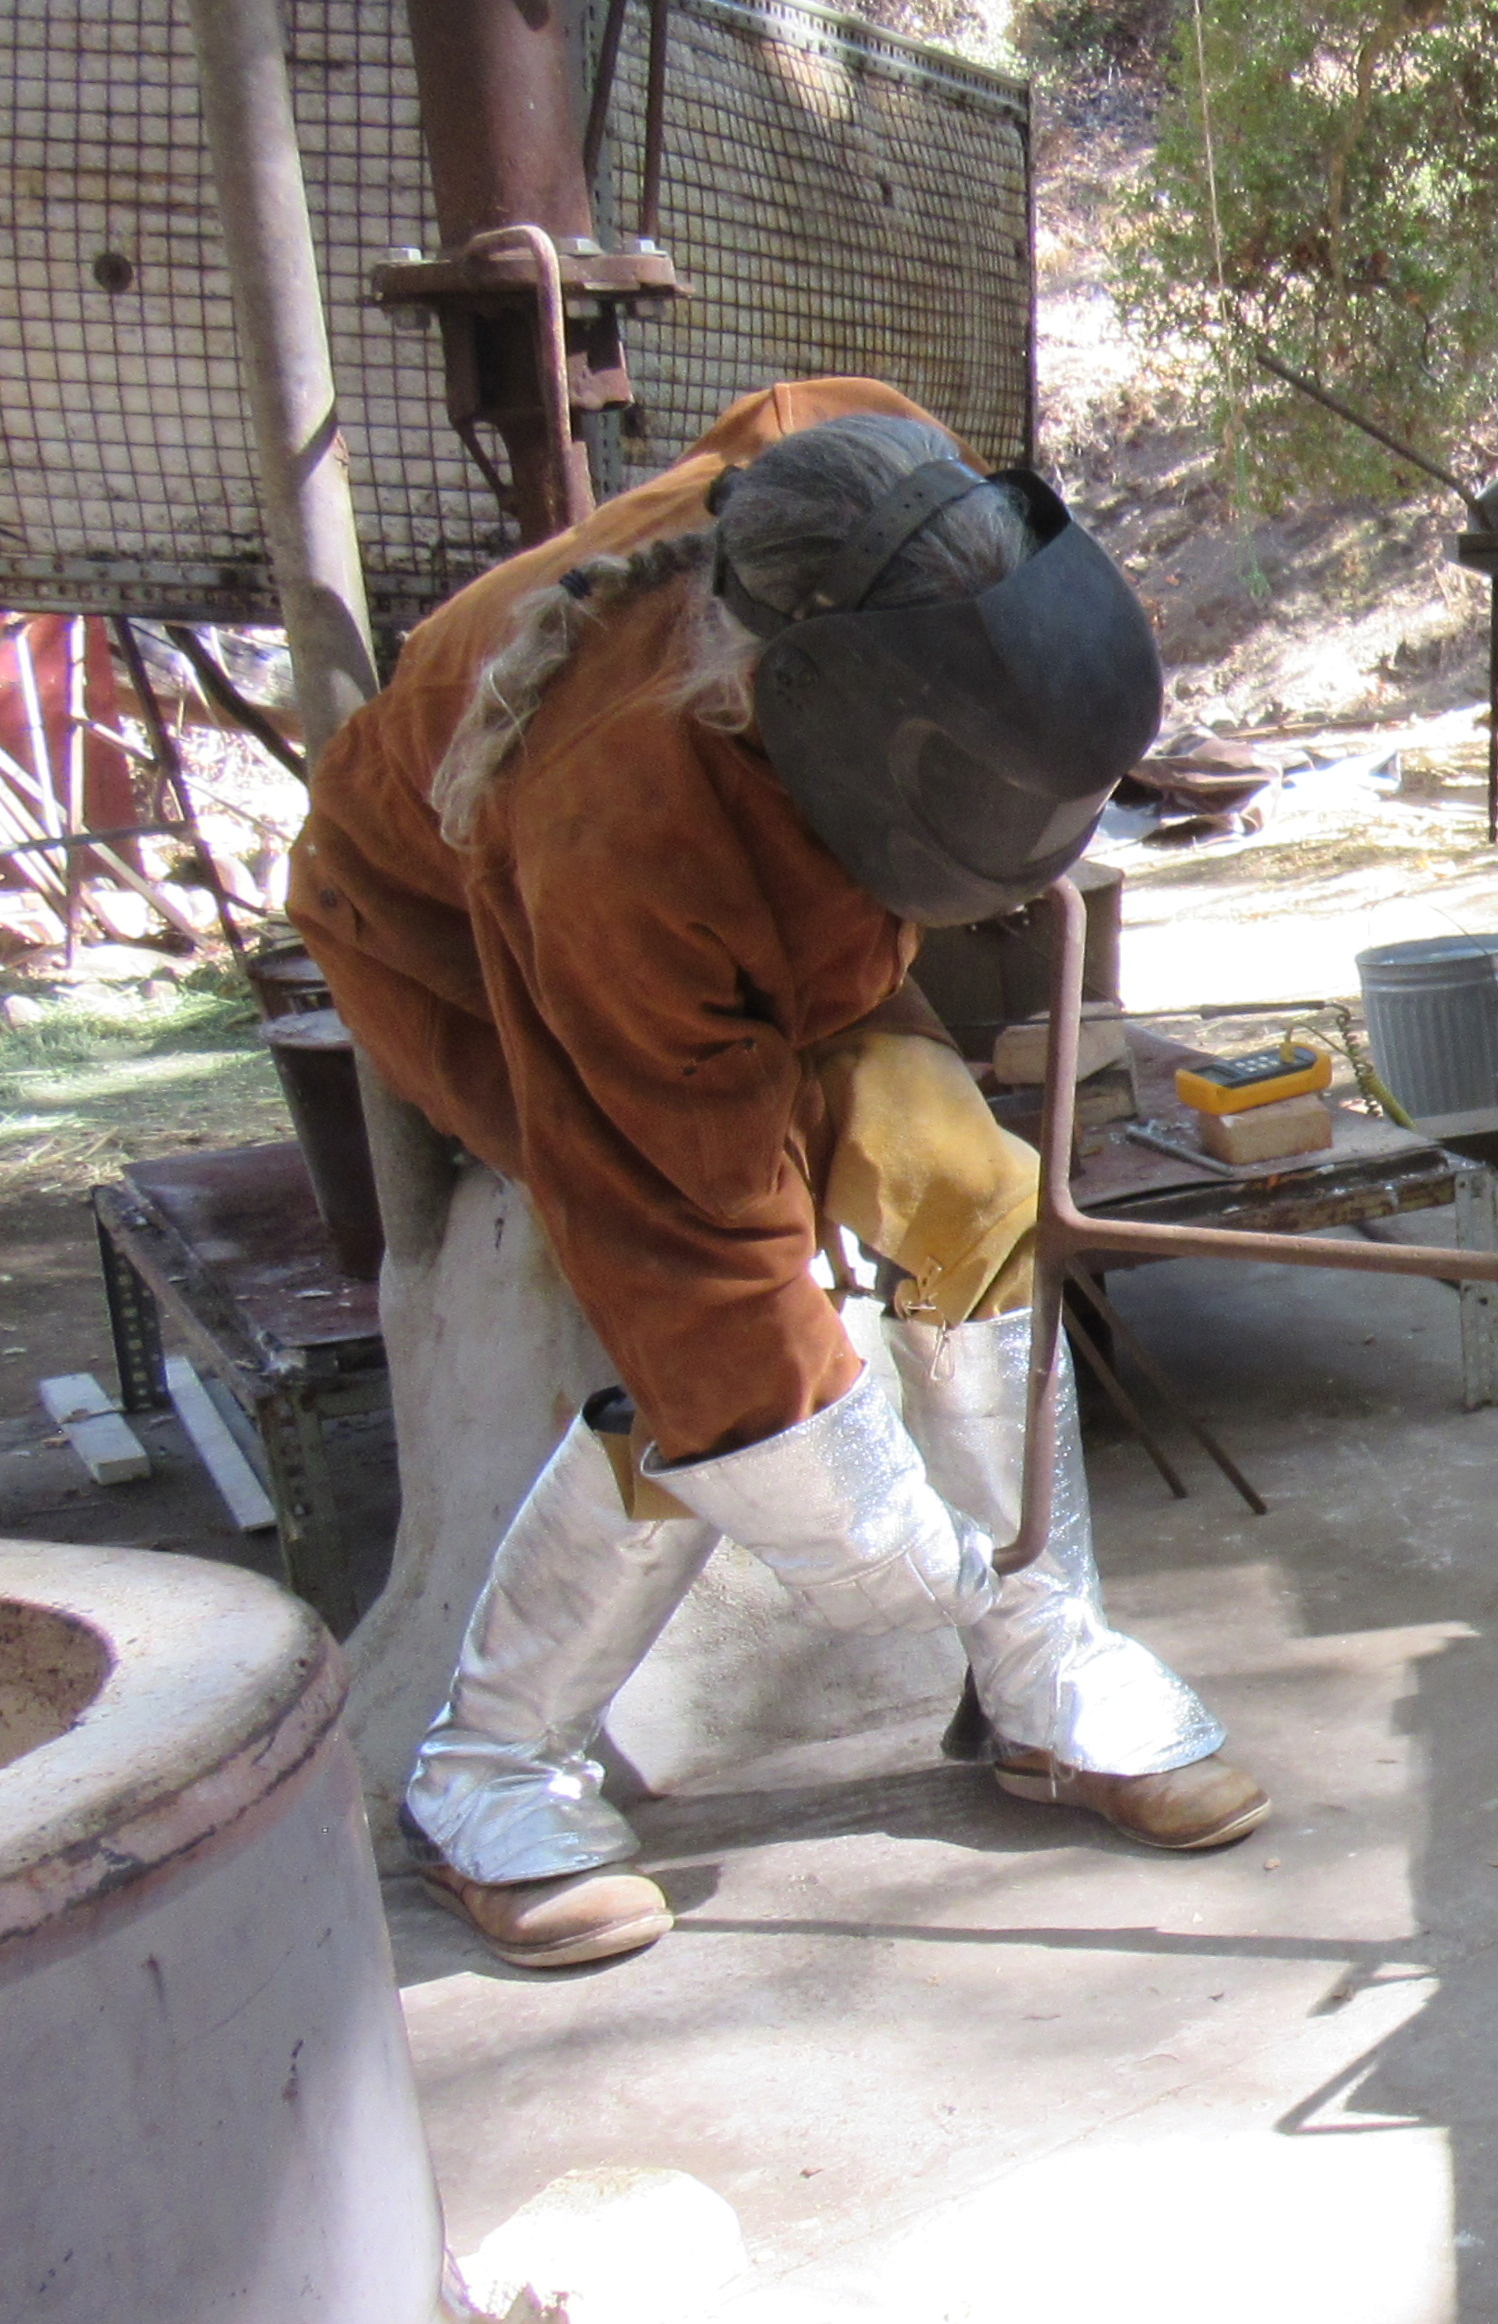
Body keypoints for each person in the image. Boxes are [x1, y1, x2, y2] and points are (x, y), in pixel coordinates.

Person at [297, 380, 1263, 1971]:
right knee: (724, 1344)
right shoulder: (619, 831)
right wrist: (864, 1521)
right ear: (813, 714)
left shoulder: (866, 485)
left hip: (780, 882)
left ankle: (1043, 1681)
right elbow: (699, 1258)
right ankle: (485, 1769)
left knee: (979, 1197)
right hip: (468, 934)